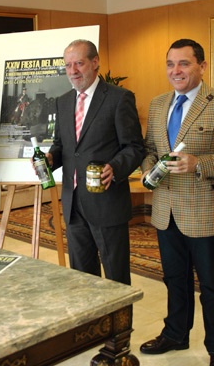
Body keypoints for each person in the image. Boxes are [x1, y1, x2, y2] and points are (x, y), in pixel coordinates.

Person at [139, 39, 214, 366]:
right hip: (165, 210)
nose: (176, 70)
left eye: (184, 63)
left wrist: (198, 163)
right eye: (170, 64)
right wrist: (148, 169)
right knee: (174, 279)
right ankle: (175, 334)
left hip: (205, 211)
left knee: (212, 285)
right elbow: (150, 149)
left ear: (202, 66)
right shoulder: (158, 104)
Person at [47, 39, 144, 285]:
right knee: (82, 279)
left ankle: (120, 314)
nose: (73, 71)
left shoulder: (118, 98)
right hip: (73, 204)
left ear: (95, 62)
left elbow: (134, 147)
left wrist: (116, 167)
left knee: (116, 280)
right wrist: (50, 158)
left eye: (79, 63)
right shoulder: (63, 101)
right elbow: (62, 145)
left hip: (107, 203)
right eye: (68, 65)